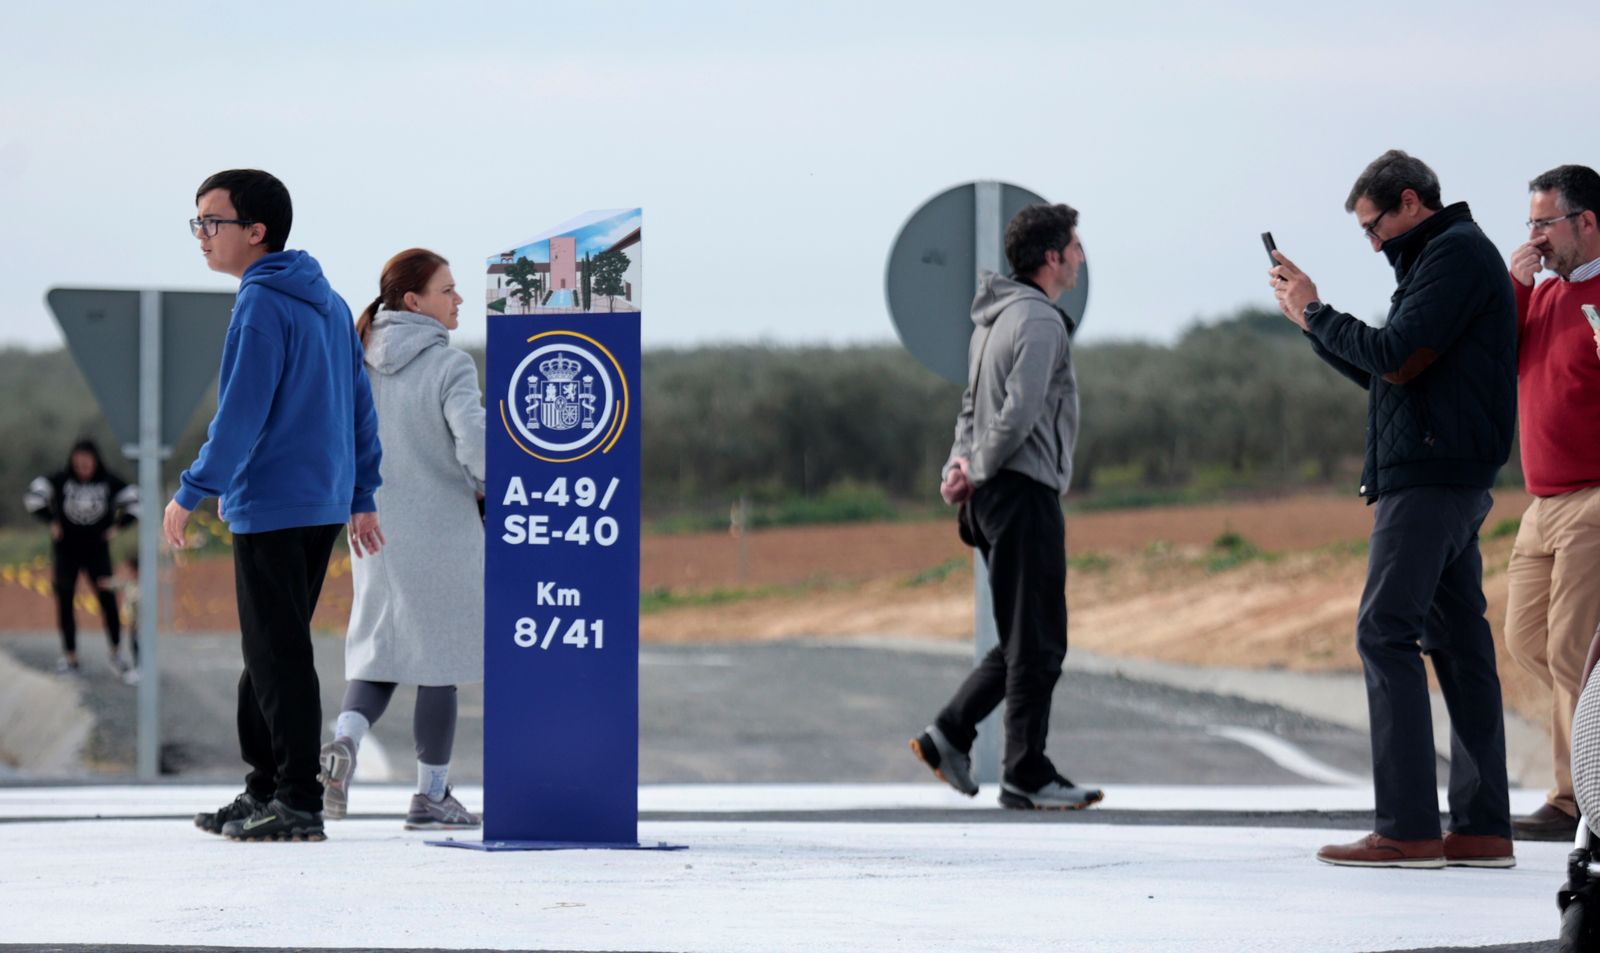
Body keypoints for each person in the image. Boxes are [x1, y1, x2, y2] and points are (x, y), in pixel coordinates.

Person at [1269, 150, 1517, 868]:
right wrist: (1311, 323)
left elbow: (1397, 355)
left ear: (1411, 201)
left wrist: (1317, 310)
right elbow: (1390, 373)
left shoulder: (1453, 253)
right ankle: (1480, 829)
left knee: (1384, 631)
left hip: (1432, 479)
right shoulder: (1442, 259)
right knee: (1460, 646)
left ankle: (1407, 828)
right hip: (1448, 472)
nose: (1374, 243)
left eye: (1375, 226)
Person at [168, 169, 383, 843]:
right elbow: (359, 406)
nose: (201, 235)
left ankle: (296, 799)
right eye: (197, 221)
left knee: (278, 651)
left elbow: (239, 416)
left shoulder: (262, 303)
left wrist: (192, 489)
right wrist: (360, 492)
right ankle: (264, 785)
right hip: (318, 500)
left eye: (212, 221)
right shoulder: (328, 299)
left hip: (273, 500)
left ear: (254, 232)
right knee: (268, 648)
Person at [908, 203, 1103, 811]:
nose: (1080, 256)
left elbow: (971, 408)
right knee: (1040, 643)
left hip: (992, 495)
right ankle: (1025, 772)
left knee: (1026, 638)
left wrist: (958, 470)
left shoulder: (992, 321)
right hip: (1021, 492)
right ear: (1052, 257)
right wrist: (981, 467)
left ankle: (951, 734)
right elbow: (1017, 410)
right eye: (1074, 246)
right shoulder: (1041, 321)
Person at [320, 249, 484, 831]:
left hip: (373, 531)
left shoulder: (355, 362)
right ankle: (431, 795)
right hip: (442, 533)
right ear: (414, 301)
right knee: (440, 663)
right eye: (448, 290)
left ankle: (345, 742)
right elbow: (478, 451)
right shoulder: (450, 366)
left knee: (380, 651)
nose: (459, 299)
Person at [1502, 164, 1600, 841]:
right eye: (1531, 221)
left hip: (1594, 497)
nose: (1533, 234)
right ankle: (1584, 771)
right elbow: (1496, 356)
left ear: (1586, 222)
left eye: (1545, 222)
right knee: (1523, 639)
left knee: (1569, 650)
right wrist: (1515, 283)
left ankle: (1574, 799)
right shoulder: (1542, 294)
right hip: (1540, 502)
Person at [23, 438, 138, 677]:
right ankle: (70, 657)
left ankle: (116, 652)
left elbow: (136, 502)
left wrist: (117, 527)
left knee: (108, 601)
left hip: (97, 551)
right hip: (66, 551)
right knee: (65, 601)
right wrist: (51, 521)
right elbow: (33, 497)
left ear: (96, 462)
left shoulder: (108, 481)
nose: (82, 469)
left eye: (86, 464)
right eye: (78, 465)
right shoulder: (61, 479)